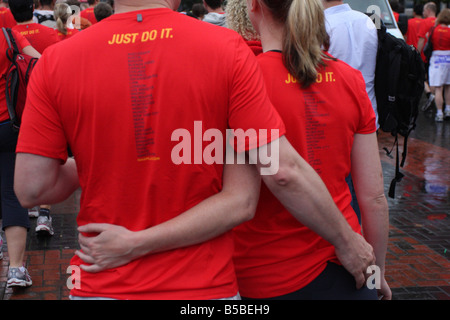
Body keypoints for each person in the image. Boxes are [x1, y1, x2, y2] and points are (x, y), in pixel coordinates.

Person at [14, 0, 375, 300]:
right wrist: (349, 243)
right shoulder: (226, 49)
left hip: (101, 281)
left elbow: (32, 188)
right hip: (203, 289)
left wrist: (97, 162)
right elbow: (256, 189)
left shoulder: (56, 61)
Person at [232, 0, 391, 300]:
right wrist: (376, 273)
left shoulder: (244, 80)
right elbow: (373, 197)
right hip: (351, 270)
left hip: (269, 274)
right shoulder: (349, 79)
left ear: (254, 7)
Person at [322, 0, 379, 224]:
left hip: (334, 115)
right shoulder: (367, 21)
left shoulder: (321, 24)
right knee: (365, 186)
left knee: (337, 182)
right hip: (368, 110)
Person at [0, 26, 40, 287]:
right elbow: (40, 63)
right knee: (11, 193)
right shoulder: (8, 35)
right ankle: (15, 269)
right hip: (7, 124)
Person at [428, 8, 450, 122]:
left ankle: (440, 113)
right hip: (448, 58)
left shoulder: (434, 29)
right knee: (448, 86)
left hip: (436, 58)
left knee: (438, 88)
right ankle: (448, 109)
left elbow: (429, 42)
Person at [417, 2, 438, 112]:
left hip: (426, 56)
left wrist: (417, 53)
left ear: (428, 11)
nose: (423, 12)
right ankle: (437, 101)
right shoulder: (440, 21)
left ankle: (430, 95)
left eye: (424, 10)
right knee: (435, 79)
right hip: (438, 55)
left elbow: (421, 40)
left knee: (422, 76)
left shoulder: (424, 22)